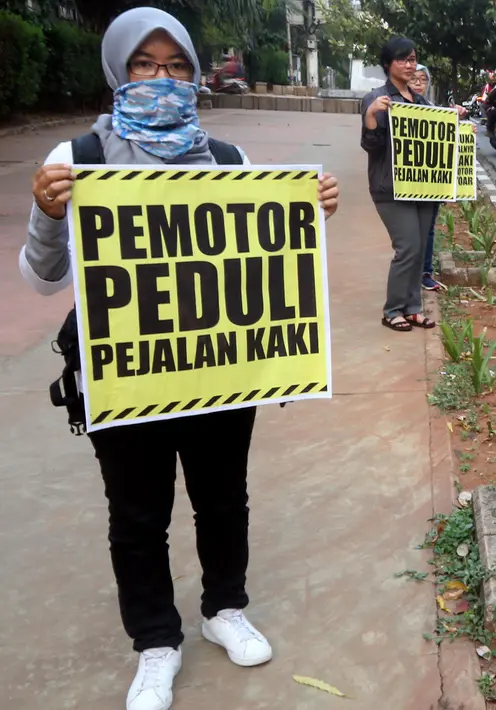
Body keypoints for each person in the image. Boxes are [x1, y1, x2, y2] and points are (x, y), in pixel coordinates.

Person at [21, 8, 340, 710]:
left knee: (224, 497)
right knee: (137, 514)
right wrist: (47, 216)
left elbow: (263, 265)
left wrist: (302, 214)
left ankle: (224, 608)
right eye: (144, 65)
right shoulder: (78, 160)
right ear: (117, 72)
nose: (161, 80)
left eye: (175, 67)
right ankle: (156, 643)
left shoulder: (228, 162)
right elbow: (43, 279)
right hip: (124, 372)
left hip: (218, 369)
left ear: (195, 74)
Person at [361, 36, 446, 331]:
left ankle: (412, 308)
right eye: (403, 60)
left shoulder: (420, 102)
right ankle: (393, 309)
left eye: (413, 59)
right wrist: (372, 116)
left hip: (422, 187)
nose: (410, 66)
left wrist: (457, 123)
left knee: (420, 247)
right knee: (408, 246)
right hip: (390, 188)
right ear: (388, 64)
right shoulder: (377, 100)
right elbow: (372, 146)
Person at [411, 63, 444, 291]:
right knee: (409, 231)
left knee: (429, 229)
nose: (419, 83)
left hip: (430, 181)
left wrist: (463, 129)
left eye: (423, 79)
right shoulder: (397, 107)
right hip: (407, 180)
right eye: (414, 78)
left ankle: (425, 272)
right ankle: (410, 272)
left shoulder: (432, 108)